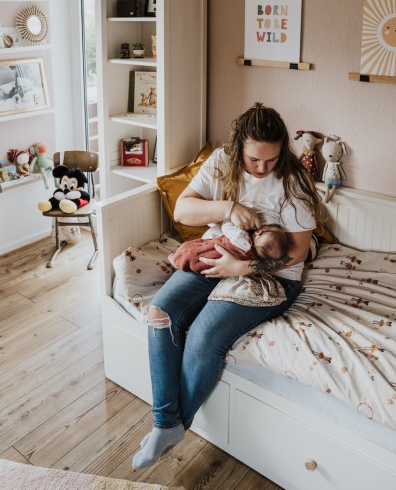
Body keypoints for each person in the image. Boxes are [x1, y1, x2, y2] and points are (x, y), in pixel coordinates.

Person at [132, 102, 322, 470]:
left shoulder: (293, 181)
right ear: (239, 149)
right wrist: (227, 209)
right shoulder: (222, 161)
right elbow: (183, 211)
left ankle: (168, 425)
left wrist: (245, 266)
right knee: (160, 313)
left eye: (272, 159)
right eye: (255, 160)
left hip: (270, 275)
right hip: (221, 253)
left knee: (203, 336)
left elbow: (298, 253)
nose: (264, 168)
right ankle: (166, 423)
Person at [168, 219, 289, 274]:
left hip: (208, 251)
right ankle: (181, 262)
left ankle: (176, 260)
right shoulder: (252, 258)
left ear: (259, 232)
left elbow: (227, 227)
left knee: (190, 250)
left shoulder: (241, 237)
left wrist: (229, 218)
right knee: (199, 262)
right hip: (213, 267)